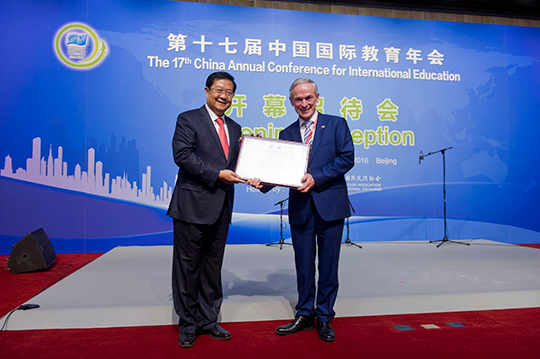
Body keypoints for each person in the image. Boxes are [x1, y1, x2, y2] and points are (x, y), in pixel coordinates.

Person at [248, 78, 354, 342]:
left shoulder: (337, 124)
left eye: (308, 98)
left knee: (328, 267)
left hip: (330, 206)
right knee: (304, 266)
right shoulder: (286, 134)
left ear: (317, 97)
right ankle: (305, 314)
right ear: (291, 101)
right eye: (298, 99)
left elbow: (346, 158)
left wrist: (316, 177)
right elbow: (281, 172)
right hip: (301, 209)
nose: (304, 103)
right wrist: (260, 176)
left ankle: (325, 316)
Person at [167, 72, 245, 348]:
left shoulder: (235, 128)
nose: (224, 96)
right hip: (191, 206)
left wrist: (255, 159)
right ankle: (188, 324)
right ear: (207, 91)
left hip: (221, 208)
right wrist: (218, 174)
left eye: (230, 92)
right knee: (187, 268)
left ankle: (209, 320)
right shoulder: (188, 119)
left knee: (212, 268)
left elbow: (236, 166)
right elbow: (183, 155)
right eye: (219, 90)